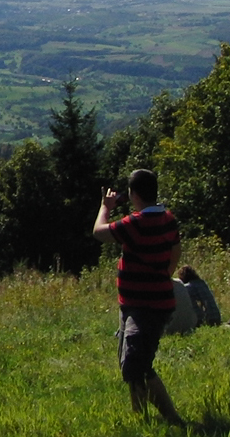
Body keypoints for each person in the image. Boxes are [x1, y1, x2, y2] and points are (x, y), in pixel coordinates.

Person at [93, 169, 184, 426]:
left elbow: (99, 233)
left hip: (144, 306)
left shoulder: (136, 223)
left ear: (133, 194)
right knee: (132, 363)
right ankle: (142, 418)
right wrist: (166, 273)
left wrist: (105, 207)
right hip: (146, 303)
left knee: (136, 365)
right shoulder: (167, 218)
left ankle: (170, 418)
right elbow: (176, 249)